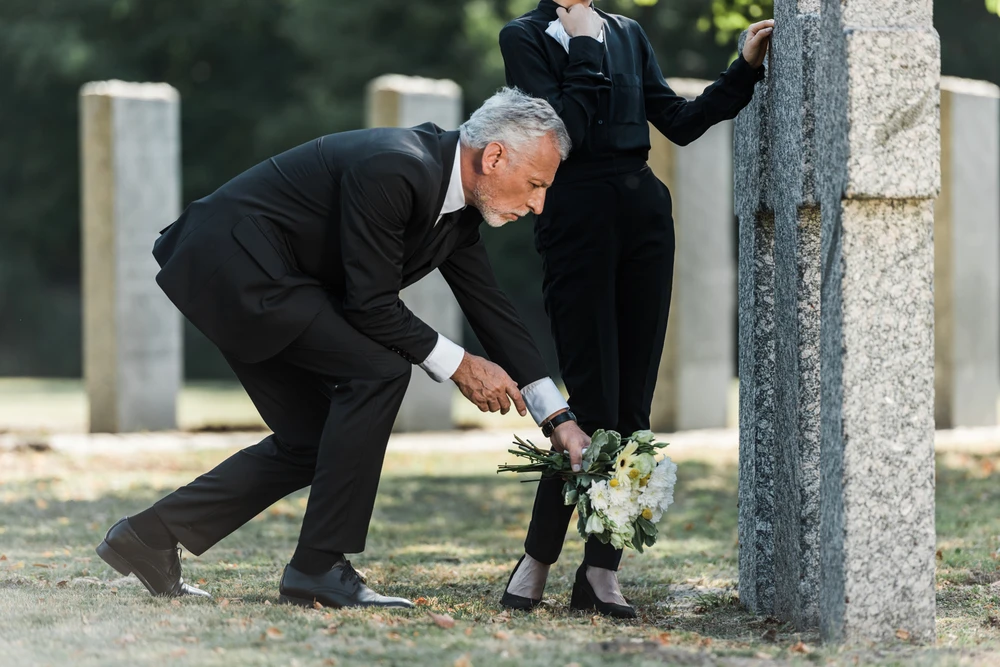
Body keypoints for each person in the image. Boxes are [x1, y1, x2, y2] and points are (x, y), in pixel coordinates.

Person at [94, 88, 592, 609]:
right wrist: (460, 365)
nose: (538, 204)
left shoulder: (459, 211)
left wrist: (557, 417)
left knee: (312, 440)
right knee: (379, 371)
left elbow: (491, 309)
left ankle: (148, 536)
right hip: (233, 266)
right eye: (535, 185)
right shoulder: (398, 166)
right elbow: (371, 304)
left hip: (268, 277)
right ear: (493, 156)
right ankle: (317, 568)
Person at [497, 1, 774, 618]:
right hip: (574, 217)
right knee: (592, 403)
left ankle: (600, 573)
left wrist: (743, 71)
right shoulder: (524, 37)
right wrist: (583, 45)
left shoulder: (629, 32)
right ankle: (537, 558)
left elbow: (676, 120)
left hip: (644, 215)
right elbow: (557, 133)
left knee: (632, 406)